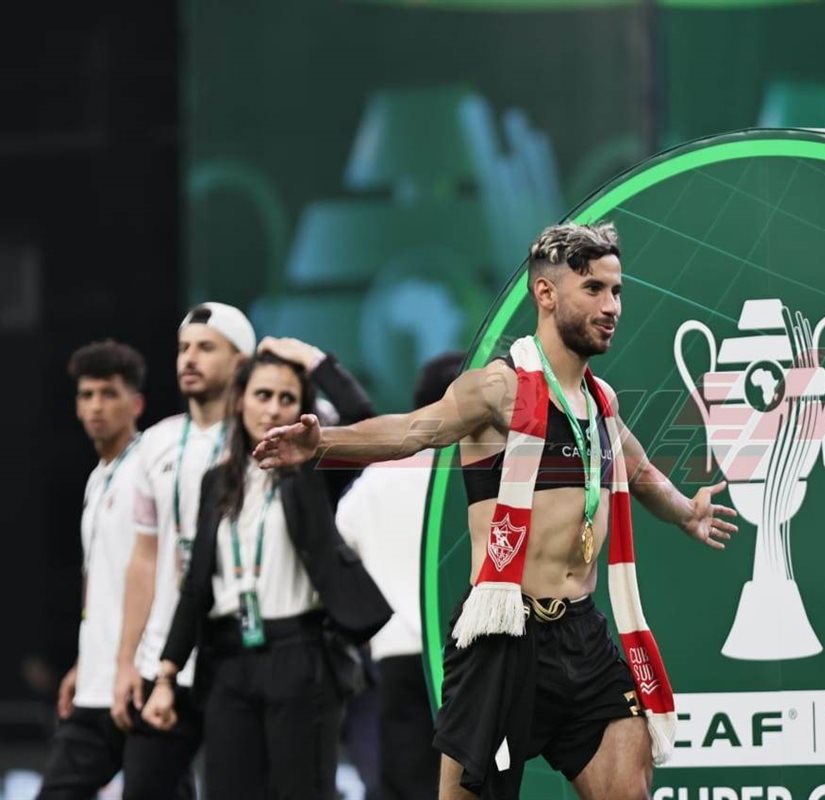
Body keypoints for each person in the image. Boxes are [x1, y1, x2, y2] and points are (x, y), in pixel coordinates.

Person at [254, 222, 738, 800]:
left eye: (617, 291)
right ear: (546, 294)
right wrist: (322, 445)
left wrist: (686, 512)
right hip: (502, 635)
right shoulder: (495, 390)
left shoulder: (600, 403)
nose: (612, 306)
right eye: (594, 289)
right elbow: (410, 431)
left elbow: (639, 472)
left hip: (582, 634)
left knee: (628, 789)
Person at [141, 342, 391, 800]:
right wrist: (166, 674)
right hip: (228, 660)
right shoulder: (216, 481)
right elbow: (196, 584)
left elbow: (362, 417)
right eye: (262, 395)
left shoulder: (314, 470)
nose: (273, 408)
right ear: (239, 400)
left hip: (300, 654)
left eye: (287, 398)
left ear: (302, 409)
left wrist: (310, 357)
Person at [111, 302, 256, 799]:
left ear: (241, 362)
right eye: (183, 348)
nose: (189, 358)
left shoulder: (260, 438)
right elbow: (145, 557)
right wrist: (126, 662)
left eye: (206, 347)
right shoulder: (154, 443)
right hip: (163, 663)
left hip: (236, 656)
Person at [336, 351, 466, 800]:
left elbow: (340, 543)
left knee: (408, 786)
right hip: (469, 655)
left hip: (397, 654)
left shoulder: (378, 477)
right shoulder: (478, 471)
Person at [36, 341, 146, 799]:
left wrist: (132, 662)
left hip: (140, 680)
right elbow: (101, 584)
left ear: (136, 404)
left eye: (108, 393)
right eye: (87, 395)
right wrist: (85, 661)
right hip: (96, 683)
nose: (96, 406)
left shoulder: (149, 468)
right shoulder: (97, 479)